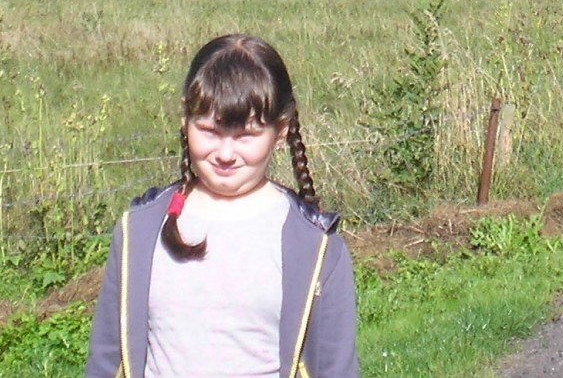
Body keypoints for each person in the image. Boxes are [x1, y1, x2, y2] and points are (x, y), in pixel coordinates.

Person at [85, 34, 359, 378]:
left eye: (246, 135)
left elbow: (335, 368)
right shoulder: (138, 230)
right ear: (185, 121)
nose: (226, 154)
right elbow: (105, 361)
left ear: (280, 131)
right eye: (210, 131)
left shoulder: (318, 247)